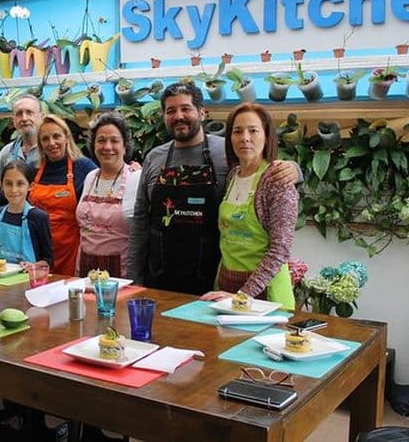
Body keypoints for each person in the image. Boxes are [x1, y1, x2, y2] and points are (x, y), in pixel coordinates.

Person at [126, 80, 299, 295]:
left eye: (186, 108)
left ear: (202, 113)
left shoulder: (228, 154)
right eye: (171, 110)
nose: (179, 116)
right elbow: (140, 222)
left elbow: (262, 170)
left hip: (211, 282)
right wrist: (133, 281)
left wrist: (294, 169)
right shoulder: (154, 158)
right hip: (161, 276)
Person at [199, 103, 298, 309]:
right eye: (237, 131)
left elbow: (280, 250)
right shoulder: (233, 176)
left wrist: (242, 296)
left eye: (253, 130)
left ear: (267, 136)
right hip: (226, 283)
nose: (245, 137)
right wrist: (231, 295)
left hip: (265, 294)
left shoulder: (277, 180)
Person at [28, 114, 97, 276]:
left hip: (70, 250)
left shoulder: (84, 167)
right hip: (39, 250)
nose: (51, 143)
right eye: (45, 139)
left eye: (56, 136)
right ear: (40, 144)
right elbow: (8, 195)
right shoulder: (33, 169)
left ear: (67, 137)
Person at [75, 112, 140, 278]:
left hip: (121, 276)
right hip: (85, 271)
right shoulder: (90, 177)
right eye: (101, 140)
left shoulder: (136, 178)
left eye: (114, 140)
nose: (107, 146)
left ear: (125, 146)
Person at [0, 160, 53, 267]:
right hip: (1, 278)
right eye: (8, 184)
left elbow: (48, 260)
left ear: (30, 186)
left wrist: (33, 266)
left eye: (20, 184)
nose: (14, 189)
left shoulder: (38, 217)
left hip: (30, 278)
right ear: (2, 185)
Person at [0, 94, 43, 175]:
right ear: (13, 120)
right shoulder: (6, 153)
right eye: (19, 114)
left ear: (41, 117)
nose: (24, 118)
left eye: (29, 112)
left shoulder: (51, 149)